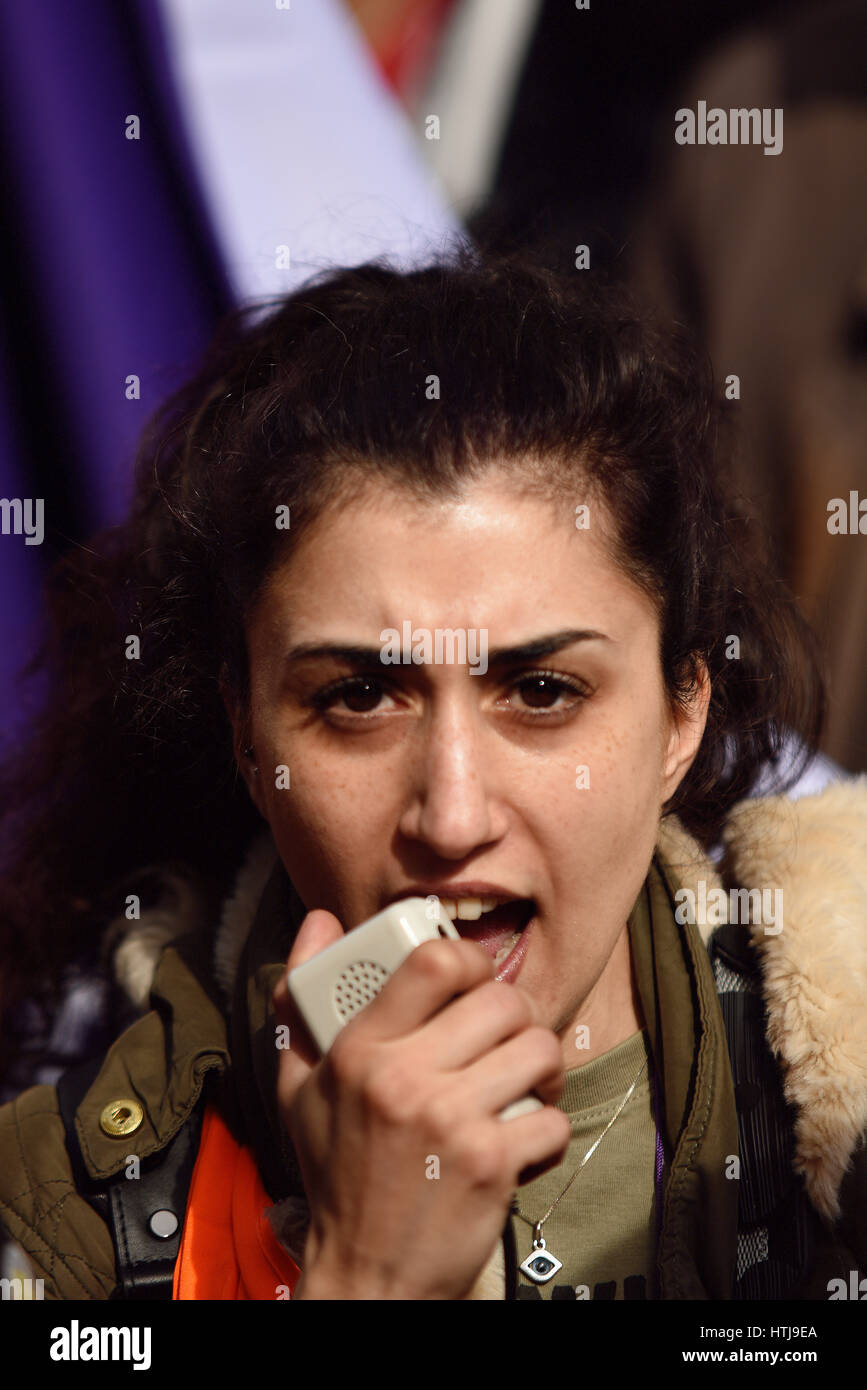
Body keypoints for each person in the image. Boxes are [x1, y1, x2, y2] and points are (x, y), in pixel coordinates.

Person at [0, 247, 864, 1301]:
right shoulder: (65, 1216)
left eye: (542, 691)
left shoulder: (848, 1083)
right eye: (359, 696)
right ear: (246, 732)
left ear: (684, 710)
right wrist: (366, 1280)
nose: (452, 817)